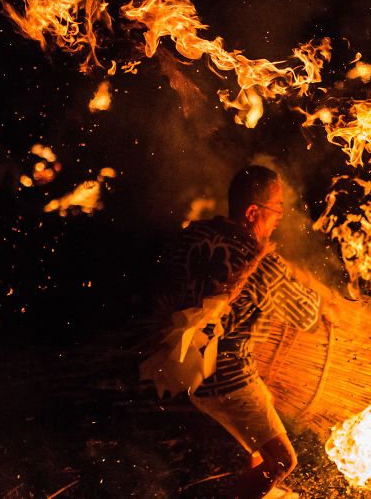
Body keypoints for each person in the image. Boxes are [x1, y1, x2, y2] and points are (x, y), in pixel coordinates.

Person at [142, 165, 336, 499]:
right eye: (275, 209)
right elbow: (305, 315)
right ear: (252, 212)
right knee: (282, 461)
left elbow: (172, 288)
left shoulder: (192, 235)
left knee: (259, 434)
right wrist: (318, 297)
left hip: (187, 370)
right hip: (229, 379)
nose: (279, 217)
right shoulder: (263, 264)